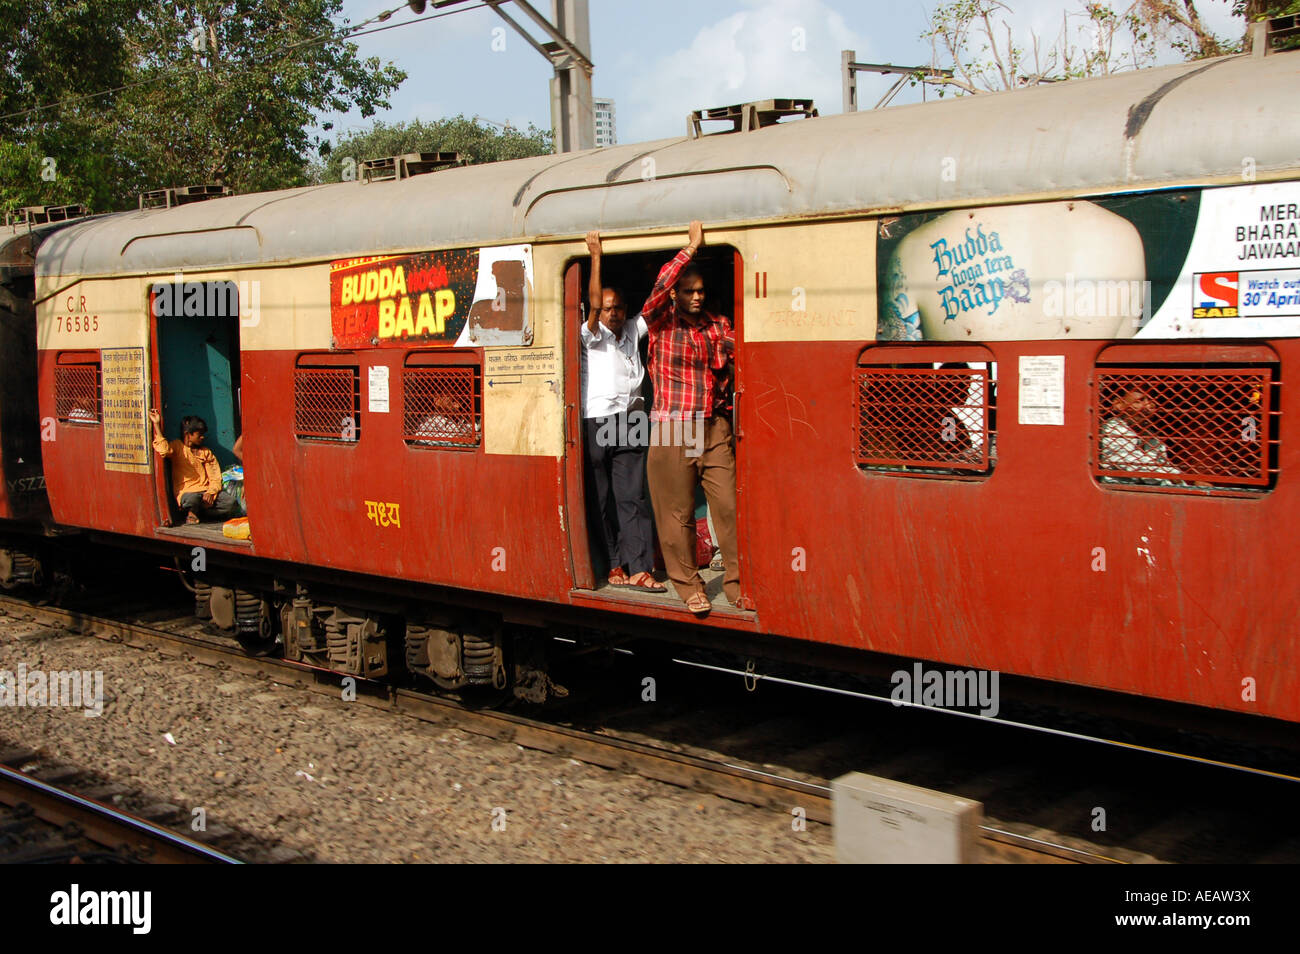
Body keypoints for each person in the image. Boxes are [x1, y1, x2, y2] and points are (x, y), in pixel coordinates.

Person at [640, 220, 741, 616]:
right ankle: (688, 585)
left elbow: (739, 352)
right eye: (689, 291)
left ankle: (736, 581)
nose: (696, 297)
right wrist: (691, 249)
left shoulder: (717, 324)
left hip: (713, 425)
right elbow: (658, 290)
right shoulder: (661, 322)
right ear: (677, 295)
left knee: (728, 505)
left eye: (700, 291)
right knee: (677, 513)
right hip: (673, 426)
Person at [582, 230, 664, 593]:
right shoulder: (592, 335)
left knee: (633, 497)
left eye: (617, 308)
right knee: (601, 499)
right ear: (597, 311)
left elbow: (658, 301)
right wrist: (596, 256)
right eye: (605, 308)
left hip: (630, 419)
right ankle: (614, 564)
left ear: (625, 310)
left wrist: (689, 253)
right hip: (596, 420)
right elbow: (593, 300)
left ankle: (640, 568)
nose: (612, 313)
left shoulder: (633, 329)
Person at [149, 409, 239, 524]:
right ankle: (192, 511)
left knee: (230, 503)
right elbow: (164, 450)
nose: (202, 437)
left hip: (206, 492)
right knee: (193, 499)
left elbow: (215, 476)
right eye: (199, 435)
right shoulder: (177, 446)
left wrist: (211, 492)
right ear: (188, 434)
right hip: (188, 493)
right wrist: (156, 424)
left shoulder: (205, 452)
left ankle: (198, 514)